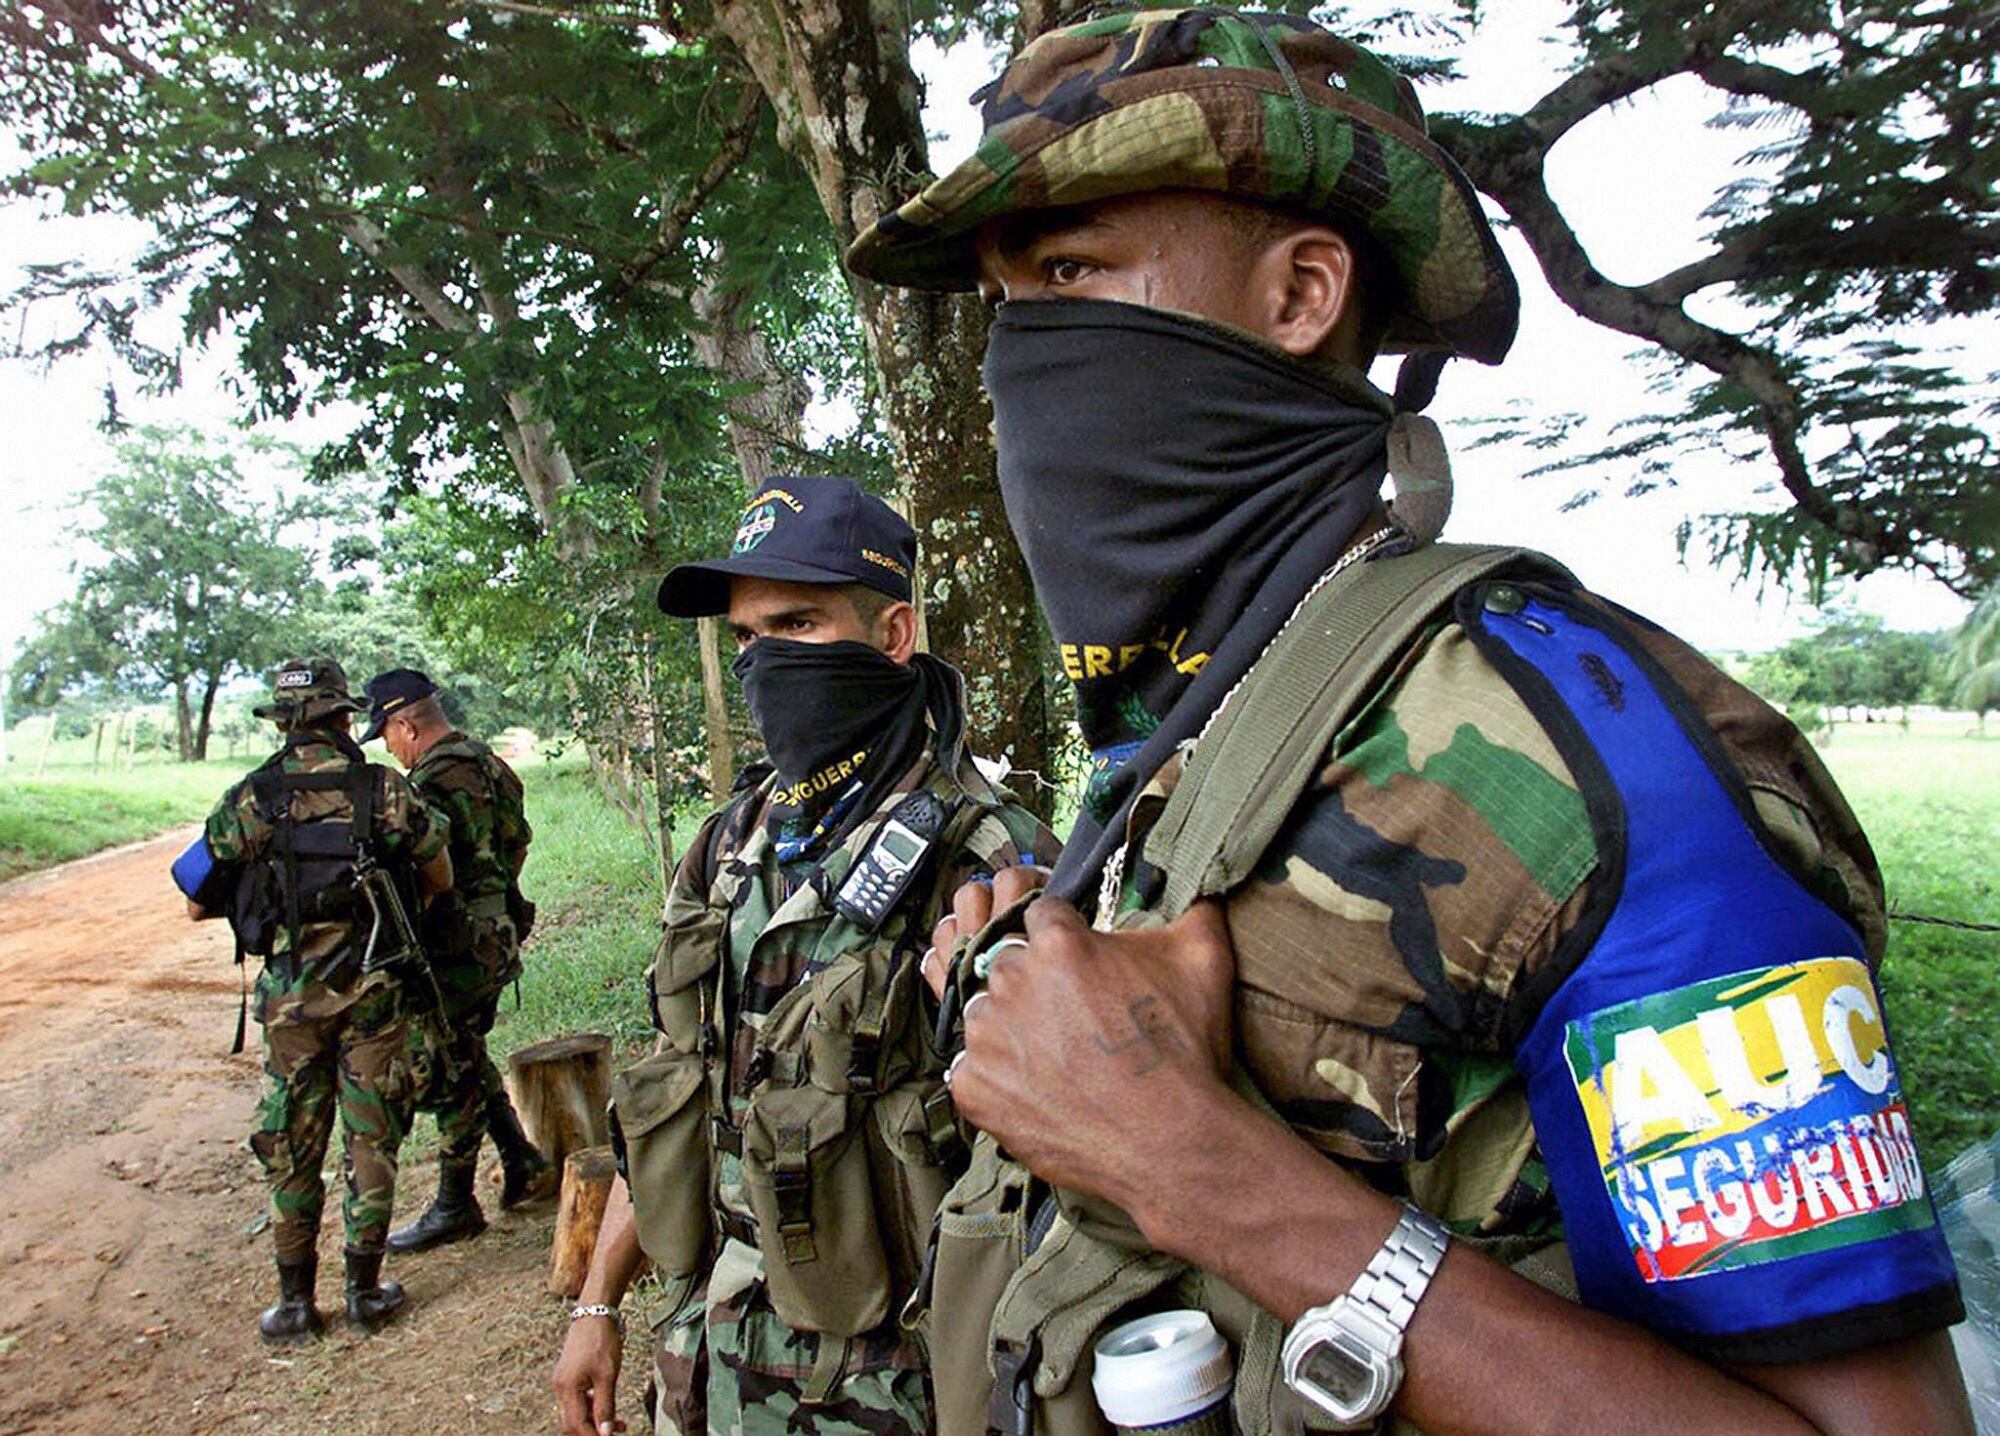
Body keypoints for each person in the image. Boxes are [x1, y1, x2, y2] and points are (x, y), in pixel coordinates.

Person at [844, 11, 1974, 1434]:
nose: (1023, 358)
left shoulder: (1602, 780)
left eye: (1072, 271)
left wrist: (1201, 1169)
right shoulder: (1211, 723)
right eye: (1006, 303)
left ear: (1302, 292)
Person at [551, 475, 1060, 1436]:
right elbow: (669, 1093)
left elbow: (1047, 1181)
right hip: (706, 1360)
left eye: (796, 626)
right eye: (746, 639)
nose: (762, 664)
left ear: (893, 636)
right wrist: (597, 1303)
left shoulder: (990, 860)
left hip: (887, 1385)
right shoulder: (728, 844)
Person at [190, 656, 452, 1343]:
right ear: (343, 718)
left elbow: (195, 892)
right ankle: (365, 1290)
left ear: (283, 722)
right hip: (373, 988)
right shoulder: (382, 789)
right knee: (371, 1134)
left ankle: (294, 1302)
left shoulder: (253, 797)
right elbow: (440, 874)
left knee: (293, 1138)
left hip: (291, 1004)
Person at [358, 668, 553, 1252]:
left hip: (455, 941)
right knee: (464, 1045)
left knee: (449, 1066)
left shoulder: (428, 784)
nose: (389, 749)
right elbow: (518, 841)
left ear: (405, 725)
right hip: (495, 928)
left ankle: (454, 1202)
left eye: (388, 737)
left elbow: (426, 868)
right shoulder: (490, 764)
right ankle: (521, 1159)